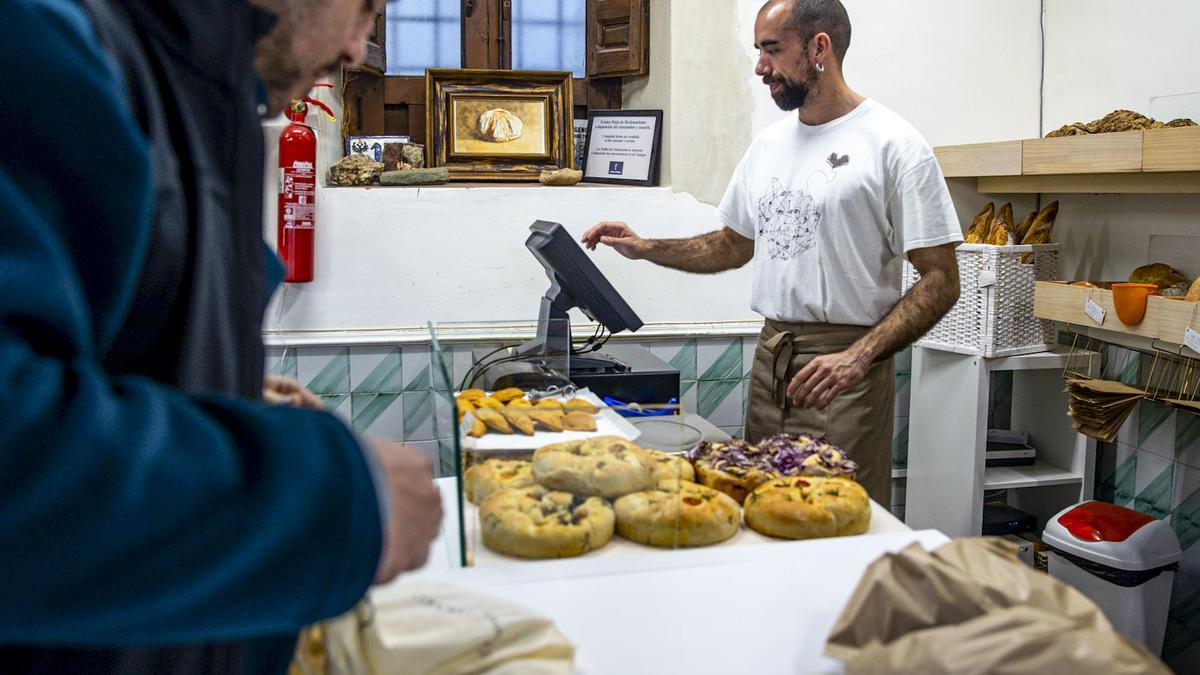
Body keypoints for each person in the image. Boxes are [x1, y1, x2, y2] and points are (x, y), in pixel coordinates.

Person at [0, 0, 440, 673]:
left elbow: (103, 349)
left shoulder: (200, 92)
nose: (358, 49)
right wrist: (341, 499)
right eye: (367, 8)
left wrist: (227, 391)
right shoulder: (42, 40)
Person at [581, 0, 961, 505]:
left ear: (819, 47)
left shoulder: (895, 145)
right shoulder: (769, 145)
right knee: (762, 506)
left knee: (832, 520)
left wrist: (856, 358)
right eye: (758, 51)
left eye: (772, 50)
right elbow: (731, 246)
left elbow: (941, 279)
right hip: (772, 361)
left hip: (843, 375)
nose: (761, 67)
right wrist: (646, 246)